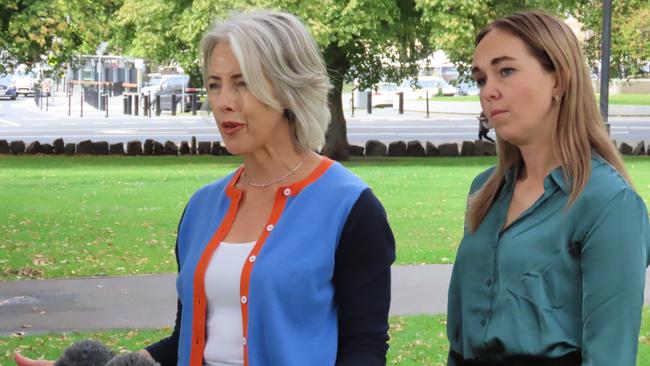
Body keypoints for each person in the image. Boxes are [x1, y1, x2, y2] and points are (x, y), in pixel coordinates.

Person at [15, 10, 395, 366]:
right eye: (215, 85)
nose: (223, 103)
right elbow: (188, 339)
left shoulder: (350, 208)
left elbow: (364, 348)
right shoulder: (202, 208)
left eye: (242, 83)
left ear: (285, 89)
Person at [447, 10, 650, 366]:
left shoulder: (608, 202)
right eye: (480, 79)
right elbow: (461, 338)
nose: (488, 92)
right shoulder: (484, 191)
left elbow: (610, 355)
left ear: (559, 79)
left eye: (506, 71)